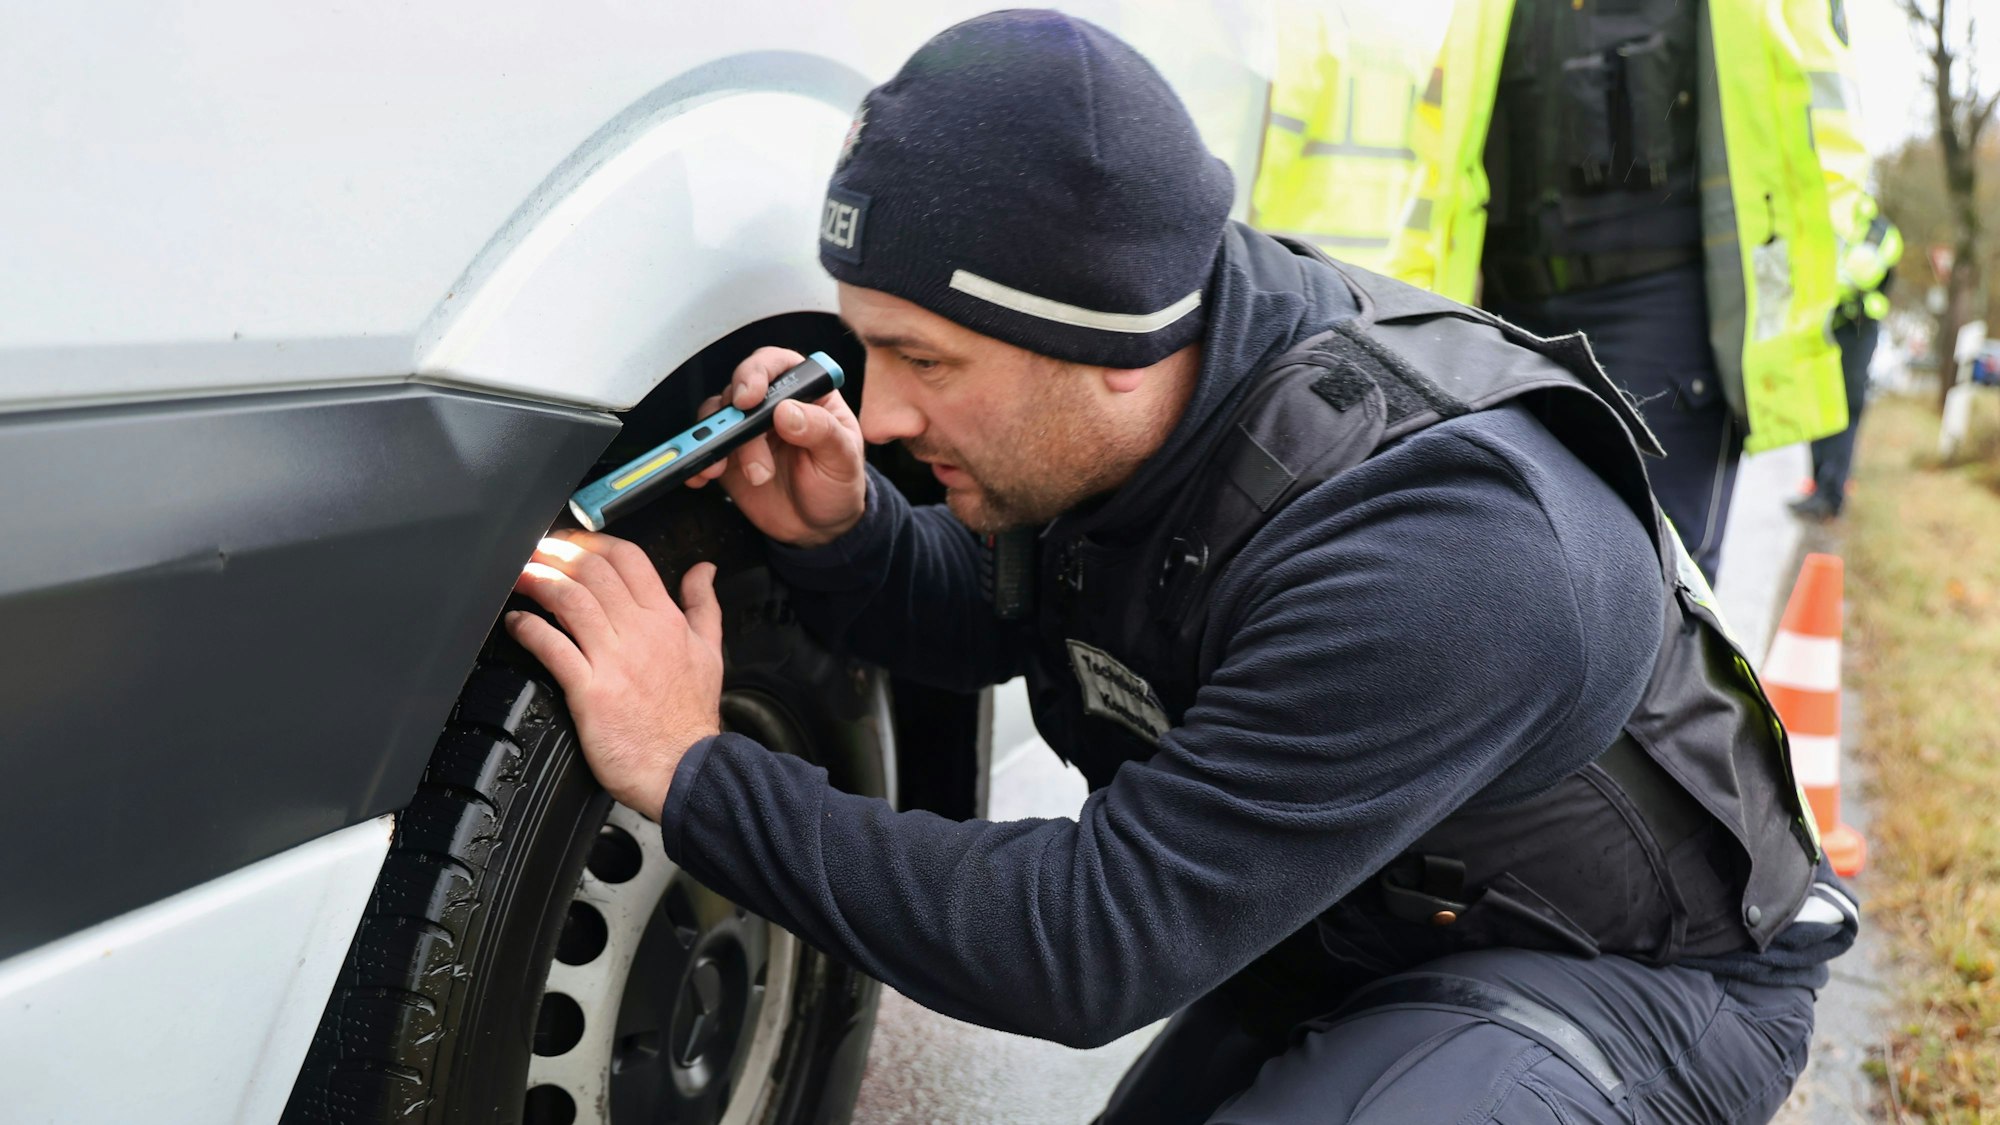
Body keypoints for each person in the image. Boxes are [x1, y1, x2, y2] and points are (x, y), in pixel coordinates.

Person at [507, 12, 1856, 1122]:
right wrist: (846, 539)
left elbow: (1084, 944)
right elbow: (1030, 620)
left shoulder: (1440, 553)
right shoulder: (1159, 394)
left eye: (924, 360)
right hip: (1358, 924)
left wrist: (694, 772)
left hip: (1624, 984)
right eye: (867, 350)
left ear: (1100, 344)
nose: (882, 412)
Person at [1388, 0, 1865, 583]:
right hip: (1505, 317)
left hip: (1666, 313)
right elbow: (1439, 151)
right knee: (1492, 576)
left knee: (1648, 586)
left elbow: (1828, 133)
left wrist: (1793, 293)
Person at [1247, 0, 1439, 270]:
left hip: (1302, 263)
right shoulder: (1413, 35)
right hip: (1387, 269)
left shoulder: (1302, 19)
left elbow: (1270, 149)